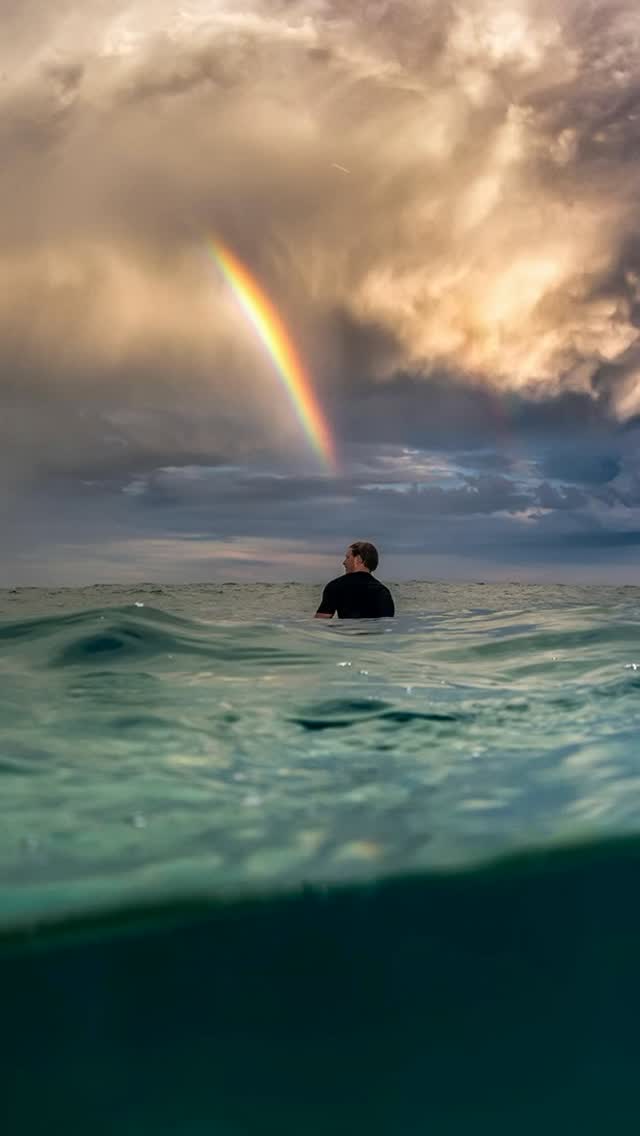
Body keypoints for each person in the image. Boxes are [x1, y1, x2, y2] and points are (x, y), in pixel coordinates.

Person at [315, 541, 395, 619]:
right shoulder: (383, 591)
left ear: (358, 559)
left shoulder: (336, 586)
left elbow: (320, 623)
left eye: (348, 557)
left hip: (347, 631)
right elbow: (387, 623)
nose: (344, 562)